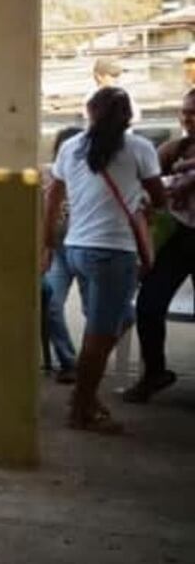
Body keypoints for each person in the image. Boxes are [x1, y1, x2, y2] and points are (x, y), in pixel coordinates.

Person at [45, 87, 166, 433]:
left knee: (115, 320)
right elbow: (158, 197)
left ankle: (85, 392)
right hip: (114, 252)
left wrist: (48, 242)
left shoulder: (71, 147)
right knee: (99, 335)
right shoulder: (139, 148)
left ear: (90, 113)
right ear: (128, 117)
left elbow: (52, 196)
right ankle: (81, 409)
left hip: (78, 249)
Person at [126, 89, 195, 402]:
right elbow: (150, 183)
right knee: (149, 303)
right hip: (182, 234)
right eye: (184, 112)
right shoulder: (176, 148)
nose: (187, 118)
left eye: (193, 112)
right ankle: (155, 372)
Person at [41, 126, 83, 383]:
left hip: (85, 247)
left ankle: (91, 361)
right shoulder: (47, 178)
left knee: (99, 312)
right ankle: (69, 362)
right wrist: (45, 249)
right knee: (52, 305)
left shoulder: (92, 175)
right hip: (57, 251)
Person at [83, 58, 141, 124]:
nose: (117, 79)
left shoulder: (123, 93)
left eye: (118, 75)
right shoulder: (92, 97)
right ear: (100, 77)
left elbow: (135, 116)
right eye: (113, 76)